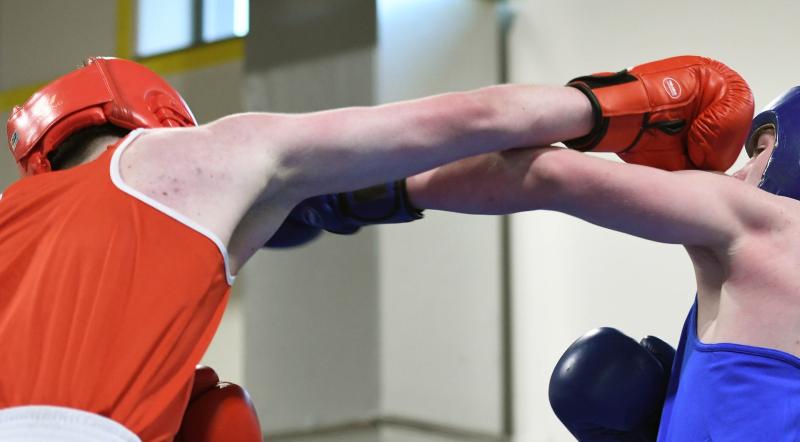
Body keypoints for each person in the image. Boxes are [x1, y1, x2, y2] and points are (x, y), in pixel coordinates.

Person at [0, 55, 750, 441]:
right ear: (162, 116)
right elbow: (465, 121)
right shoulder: (182, 160)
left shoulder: (13, 219)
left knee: (206, 410)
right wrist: (610, 107)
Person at [386, 65, 798, 439]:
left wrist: (373, 184)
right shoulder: (744, 268)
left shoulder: (774, 227)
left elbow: (547, 175)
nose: (739, 171)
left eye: (760, 151)